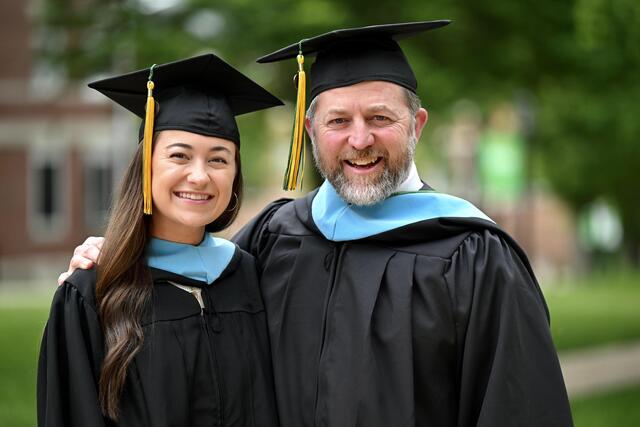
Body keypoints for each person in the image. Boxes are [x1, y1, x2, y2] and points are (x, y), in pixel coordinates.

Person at [60, 21, 573, 426]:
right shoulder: (279, 235)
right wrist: (119, 254)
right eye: (337, 121)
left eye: (379, 118)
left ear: (415, 126)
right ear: (309, 130)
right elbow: (190, 281)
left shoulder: (475, 257)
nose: (359, 139)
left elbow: (521, 407)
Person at [38, 54, 283, 427]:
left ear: (235, 174)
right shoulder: (93, 292)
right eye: (179, 156)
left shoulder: (249, 276)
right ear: (146, 165)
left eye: (219, 160)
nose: (199, 176)